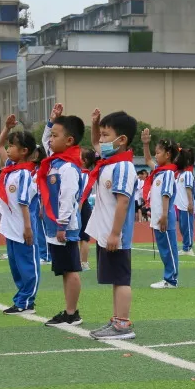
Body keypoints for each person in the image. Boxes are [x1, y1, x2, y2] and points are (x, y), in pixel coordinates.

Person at [81, 109, 140, 340]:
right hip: (106, 232)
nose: (101, 141)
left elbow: (123, 201)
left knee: (121, 278)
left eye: (106, 135)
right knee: (115, 279)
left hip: (116, 235)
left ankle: (123, 324)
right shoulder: (109, 161)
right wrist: (95, 124)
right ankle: (117, 320)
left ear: (121, 140)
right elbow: (95, 143)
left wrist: (116, 234)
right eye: (102, 135)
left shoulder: (123, 167)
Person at [39, 105, 87, 326]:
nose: (50, 140)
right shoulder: (55, 160)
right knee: (65, 270)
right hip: (54, 225)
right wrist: (51, 121)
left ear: (69, 141)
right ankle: (69, 311)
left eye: (55, 136)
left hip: (64, 227)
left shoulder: (67, 167)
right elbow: (44, 140)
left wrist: (62, 225)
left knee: (71, 269)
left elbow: (67, 198)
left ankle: (72, 313)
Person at [0, 122, 40, 314]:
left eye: (12, 146)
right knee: (15, 265)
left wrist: (28, 227)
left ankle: (27, 301)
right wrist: (6, 128)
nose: (7, 148)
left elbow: (24, 203)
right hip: (10, 226)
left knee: (27, 265)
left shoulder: (24, 173)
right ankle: (22, 298)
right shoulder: (10, 168)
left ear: (24, 151)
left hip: (23, 226)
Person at [141, 129, 180, 289]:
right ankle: (168, 277)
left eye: (159, 152)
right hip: (158, 217)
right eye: (155, 152)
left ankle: (171, 280)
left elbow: (166, 195)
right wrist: (145, 144)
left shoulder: (168, 173)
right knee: (164, 249)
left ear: (168, 155)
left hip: (165, 217)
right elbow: (147, 159)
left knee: (169, 249)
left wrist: (164, 215)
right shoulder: (159, 172)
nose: (155, 155)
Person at [79, 146, 98, 271]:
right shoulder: (79, 173)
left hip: (83, 206)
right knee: (77, 236)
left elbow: (83, 194)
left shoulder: (86, 175)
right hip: (79, 206)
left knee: (84, 237)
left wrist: (78, 209)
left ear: (84, 160)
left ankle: (84, 263)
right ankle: (78, 261)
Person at [175, 149, 195, 255]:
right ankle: (185, 246)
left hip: (186, 206)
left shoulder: (187, 174)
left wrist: (190, 203)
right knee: (182, 227)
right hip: (180, 206)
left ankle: (188, 248)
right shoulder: (179, 175)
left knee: (187, 227)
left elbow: (189, 189)